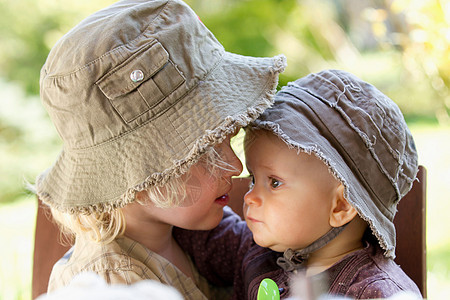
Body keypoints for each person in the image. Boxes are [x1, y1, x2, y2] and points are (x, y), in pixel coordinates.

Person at [33, 0, 286, 298]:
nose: (235, 166)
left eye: (228, 141)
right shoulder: (112, 286)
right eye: (207, 153)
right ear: (140, 174)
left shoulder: (190, 233)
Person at [174, 69, 422, 299]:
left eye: (274, 183)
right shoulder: (258, 254)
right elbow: (195, 227)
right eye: (253, 179)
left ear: (341, 206)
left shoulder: (377, 292)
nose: (250, 197)